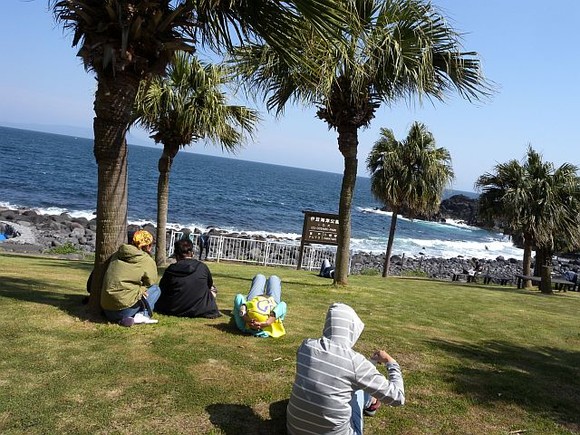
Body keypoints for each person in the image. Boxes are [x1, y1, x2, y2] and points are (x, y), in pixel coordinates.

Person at [286, 302, 405, 435]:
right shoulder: (355, 362)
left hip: (294, 431)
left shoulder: (306, 346)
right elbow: (398, 398)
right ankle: (371, 403)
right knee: (358, 392)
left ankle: (371, 401)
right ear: (352, 329)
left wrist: (370, 363)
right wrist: (391, 362)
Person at [100, 230, 161, 327]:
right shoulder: (146, 260)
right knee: (156, 289)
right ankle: (143, 314)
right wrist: (141, 289)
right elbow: (151, 282)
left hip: (106, 308)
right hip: (125, 309)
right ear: (148, 245)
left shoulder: (117, 254)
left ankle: (124, 319)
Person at [156, 238, 222, 318]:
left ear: (176, 255)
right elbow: (209, 285)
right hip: (200, 308)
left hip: (173, 308)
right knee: (212, 288)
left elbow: (162, 288)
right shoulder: (202, 267)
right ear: (191, 253)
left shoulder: (171, 269)